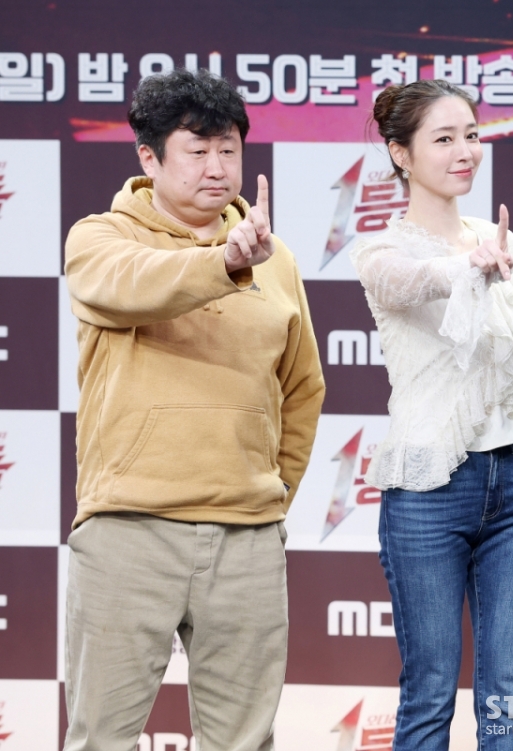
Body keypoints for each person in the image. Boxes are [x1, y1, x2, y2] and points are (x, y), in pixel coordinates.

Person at [62, 68, 325, 749]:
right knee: (100, 738)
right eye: (198, 148)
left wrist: (270, 494)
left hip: (246, 537)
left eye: (230, 148)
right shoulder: (100, 239)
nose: (218, 166)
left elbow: (302, 388)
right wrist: (224, 265)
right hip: (129, 529)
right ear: (149, 157)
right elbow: (134, 286)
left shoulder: (278, 259)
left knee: (244, 740)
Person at [350, 79, 513, 750]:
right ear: (400, 154)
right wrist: (467, 267)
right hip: (429, 489)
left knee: (508, 698)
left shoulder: (498, 238)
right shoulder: (380, 252)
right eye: (444, 138)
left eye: (473, 135)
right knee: (430, 689)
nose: (466, 151)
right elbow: (411, 282)